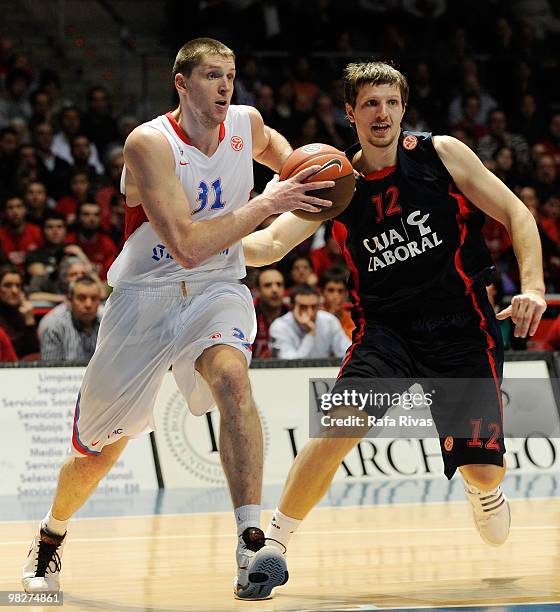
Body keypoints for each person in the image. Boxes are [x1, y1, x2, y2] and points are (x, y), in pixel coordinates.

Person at [22, 37, 333, 599]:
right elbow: (187, 245)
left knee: (234, 381)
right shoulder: (148, 143)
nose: (224, 87)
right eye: (212, 75)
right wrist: (271, 202)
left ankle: (250, 540)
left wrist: (303, 171)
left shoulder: (246, 122)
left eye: (231, 76)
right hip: (145, 296)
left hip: (216, 288)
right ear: (181, 83)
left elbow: (277, 151)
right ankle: (51, 533)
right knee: (95, 455)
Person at [241, 60, 547, 597]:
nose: (381, 114)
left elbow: (517, 214)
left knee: (482, 475)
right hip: (385, 331)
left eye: (390, 103)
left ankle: (486, 488)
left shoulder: (440, 154)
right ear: (350, 114)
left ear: (404, 109)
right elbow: (268, 246)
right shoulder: (336, 182)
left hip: (461, 326)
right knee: (336, 427)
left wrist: (534, 288)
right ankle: (273, 547)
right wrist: (190, 244)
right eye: (369, 105)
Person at [269, 284, 351, 359]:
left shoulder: (329, 321)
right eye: (303, 307)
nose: (310, 313)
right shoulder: (279, 327)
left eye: (314, 307)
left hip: (323, 372)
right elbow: (291, 365)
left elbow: (348, 353)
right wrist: (311, 333)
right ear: (292, 307)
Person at [40, 274, 101, 362]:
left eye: (94, 298)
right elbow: (51, 371)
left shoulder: (109, 326)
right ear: (70, 300)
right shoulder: (54, 328)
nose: (88, 304)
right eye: (81, 298)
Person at [0, 264, 39, 359]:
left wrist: (29, 320)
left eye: (18, 285)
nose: (14, 291)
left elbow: (32, 353)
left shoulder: (23, 313)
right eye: (7, 285)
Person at [253, 267, 287, 358]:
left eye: (279, 284)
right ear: (257, 291)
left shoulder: (292, 314)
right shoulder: (247, 314)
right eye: (268, 285)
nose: (275, 290)